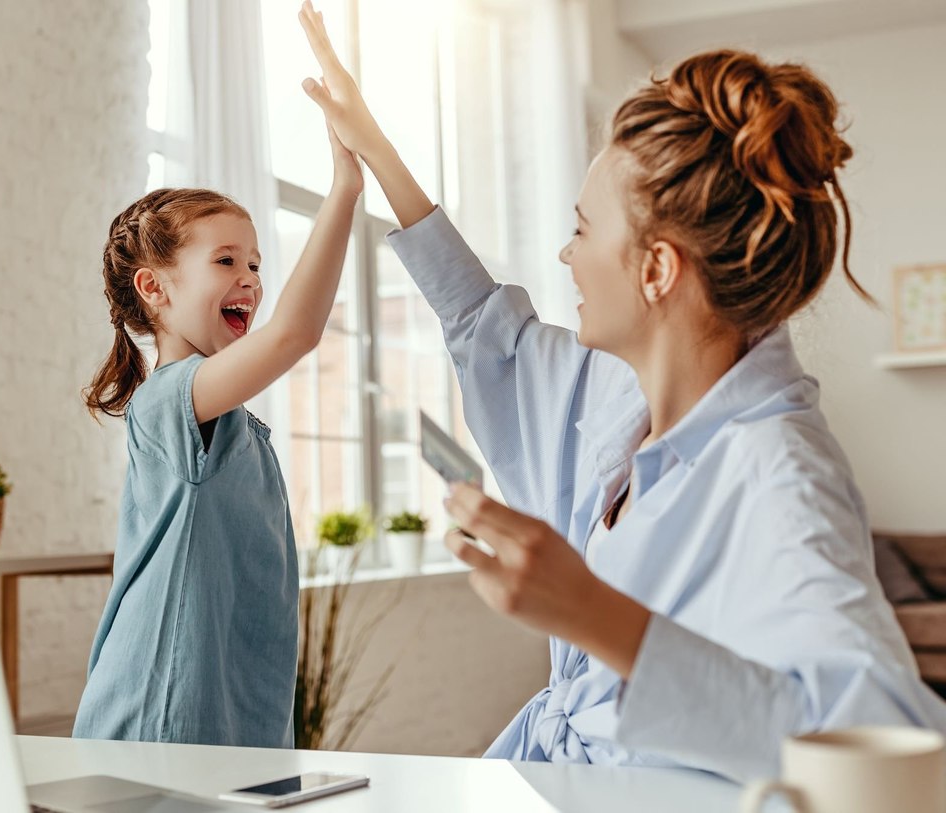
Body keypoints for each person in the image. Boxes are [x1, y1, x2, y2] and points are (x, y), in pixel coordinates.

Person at [297, 0, 946, 781]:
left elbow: (886, 743)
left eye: (582, 229)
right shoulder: (616, 398)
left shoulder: (780, 473)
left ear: (656, 269)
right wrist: (376, 149)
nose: (566, 255)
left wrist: (592, 612)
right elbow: (482, 323)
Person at [71, 120, 362, 747]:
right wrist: (344, 190)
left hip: (233, 715)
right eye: (226, 260)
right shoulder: (168, 400)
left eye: (255, 262)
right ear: (154, 287)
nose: (252, 278)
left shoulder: (233, 422)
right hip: (164, 708)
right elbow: (295, 333)